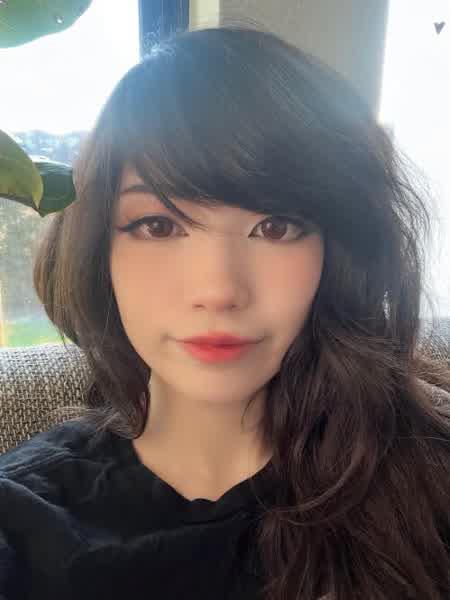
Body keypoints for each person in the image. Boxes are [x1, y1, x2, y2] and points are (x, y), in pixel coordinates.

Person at [1, 24, 450, 600]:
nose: (218, 290)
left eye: (276, 226)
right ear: (97, 252)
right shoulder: (21, 522)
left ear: (334, 254)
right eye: (157, 225)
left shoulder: (427, 478)